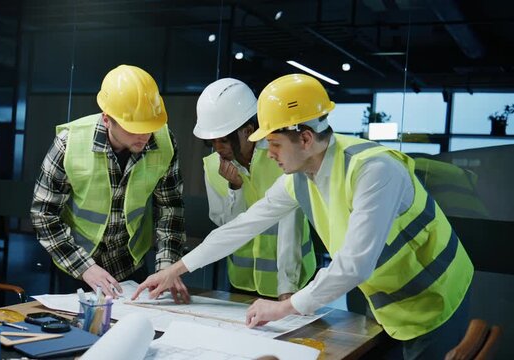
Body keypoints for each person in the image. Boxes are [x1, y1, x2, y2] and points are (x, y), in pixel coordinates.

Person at [133, 74, 473, 359]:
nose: (271, 153)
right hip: (390, 306)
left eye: (275, 144)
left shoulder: (373, 170)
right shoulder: (300, 179)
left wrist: (284, 307)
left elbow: (354, 265)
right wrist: (176, 269)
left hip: (438, 301)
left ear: (306, 138)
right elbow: (243, 225)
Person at [31, 64, 189, 302]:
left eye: (149, 126)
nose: (145, 136)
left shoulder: (164, 143)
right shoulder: (69, 144)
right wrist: (84, 267)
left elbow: (170, 210)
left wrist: (167, 268)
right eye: (135, 128)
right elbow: (43, 214)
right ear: (107, 119)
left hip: (132, 264)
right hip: (79, 265)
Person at [194, 78, 316, 300]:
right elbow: (224, 225)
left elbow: (291, 224)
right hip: (242, 279)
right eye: (212, 142)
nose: (218, 149)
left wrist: (286, 286)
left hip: (293, 280)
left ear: (248, 130)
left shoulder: (280, 155)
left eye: (223, 140)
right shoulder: (213, 166)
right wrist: (235, 189)